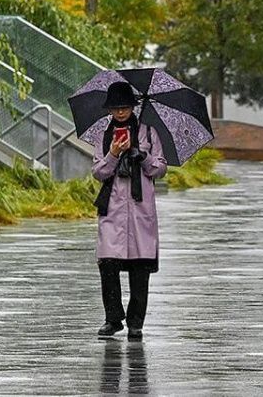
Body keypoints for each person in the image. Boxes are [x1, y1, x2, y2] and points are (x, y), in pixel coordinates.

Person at [92, 81, 168, 340]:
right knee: (108, 265)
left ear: (132, 107)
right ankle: (113, 319)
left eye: (124, 107)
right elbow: (98, 172)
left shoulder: (148, 133)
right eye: (116, 108)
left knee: (140, 268)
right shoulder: (104, 136)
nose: (121, 113)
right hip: (112, 208)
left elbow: (160, 168)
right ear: (110, 110)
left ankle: (136, 322)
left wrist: (141, 156)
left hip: (140, 209)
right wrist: (113, 154)